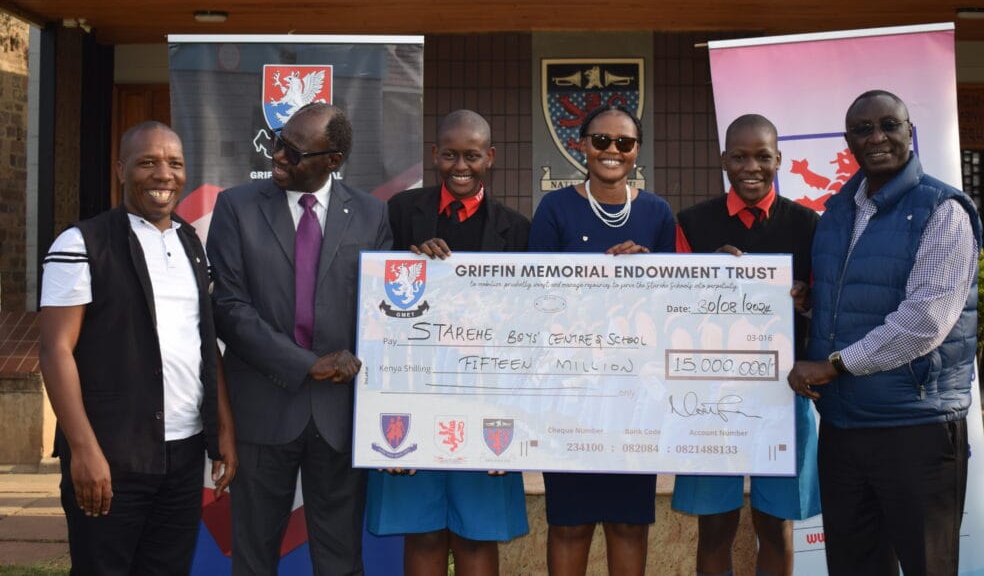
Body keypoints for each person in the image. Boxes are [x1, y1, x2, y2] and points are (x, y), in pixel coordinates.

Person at [787, 90, 981, 576]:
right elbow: (846, 306)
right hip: (845, 427)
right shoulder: (835, 213)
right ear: (848, 140)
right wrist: (805, 307)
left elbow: (925, 321)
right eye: (863, 129)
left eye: (889, 125)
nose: (877, 138)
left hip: (914, 425)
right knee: (855, 566)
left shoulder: (942, 209)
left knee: (926, 566)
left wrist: (834, 364)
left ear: (910, 132)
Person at [38, 121, 237, 574]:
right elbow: (55, 352)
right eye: (148, 162)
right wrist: (84, 450)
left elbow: (205, 342)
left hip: (184, 453)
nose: (163, 174)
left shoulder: (192, 243)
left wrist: (223, 427)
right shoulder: (79, 243)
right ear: (120, 169)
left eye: (174, 163)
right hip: (110, 453)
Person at [207, 102, 392, 575]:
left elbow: (384, 311)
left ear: (333, 160)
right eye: (278, 142)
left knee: (340, 560)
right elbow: (229, 308)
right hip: (262, 410)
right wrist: (304, 363)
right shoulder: (236, 206)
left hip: (338, 417)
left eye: (293, 150)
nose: (279, 156)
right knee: (252, 558)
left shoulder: (371, 215)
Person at [366, 109, 530, 575]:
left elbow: (524, 333)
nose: (461, 165)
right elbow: (373, 308)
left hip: (485, 404)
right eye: (451, 155)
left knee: (478, 538)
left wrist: (513, 425)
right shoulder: (400, 213)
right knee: (423, 535)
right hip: (412, 396)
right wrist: (405, 263)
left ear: (490, 158)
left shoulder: (516, 229)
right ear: (435, 155)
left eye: (472, 155)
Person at [528, 103, 676, 576]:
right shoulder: (555, 208)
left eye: (624, 143)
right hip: (571, 394)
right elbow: (537, 298)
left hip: (633, 398)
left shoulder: (656, 212)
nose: (612, 151)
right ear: (581, 146)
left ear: (636, 152)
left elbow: (672, 303)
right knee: (569, 524)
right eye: (601, 141)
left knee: (628, 524)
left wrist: (645, 272)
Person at [671, 114, 820, 576]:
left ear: (779, 159)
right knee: (716, 528)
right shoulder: (693, 224)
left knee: (775, 527)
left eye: (762, 156)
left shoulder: (809, 225)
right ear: (723, 160)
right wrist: (701, 277)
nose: (750, 167)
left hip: (783, 393)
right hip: (710, 399)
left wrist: (806, 299)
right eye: (739, 156)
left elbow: (827, 305)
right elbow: (672, 312)